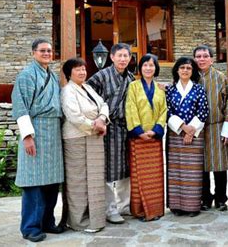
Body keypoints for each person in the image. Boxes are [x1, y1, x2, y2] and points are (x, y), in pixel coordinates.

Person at [11, 38, 64, 243]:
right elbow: (20, 105)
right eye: (42, 50)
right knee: (33, 182)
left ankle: (47, 222)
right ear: (33, 52)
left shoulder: (52, 76)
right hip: (35, 130)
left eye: (49, 51)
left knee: (51, 181)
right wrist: (27, 136)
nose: (46, 54)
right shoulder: (26, 75)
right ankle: (30, 227)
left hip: (53, 131)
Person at [86, 43, 135, 224]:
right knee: (107, 169)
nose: (123, 59)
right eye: (119, 55)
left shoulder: (131, 78)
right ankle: (110, 209)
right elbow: (88, 98)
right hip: (106, 128)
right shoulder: (101, 76)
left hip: (125, 128)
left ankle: (124, 205)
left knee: (125, 168)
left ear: (130, 59)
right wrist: (98, 119)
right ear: (112, 57)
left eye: (126, 56)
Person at [61, 58, 109, 232]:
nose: (82, 72)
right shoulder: (67, 91)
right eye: (77, 69)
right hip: (76, 138)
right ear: (69, 73)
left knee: (95, 179)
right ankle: (78, 221)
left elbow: (103, 104)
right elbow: (73, 116)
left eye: (83, 69)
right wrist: (94, 125)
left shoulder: (87, 88)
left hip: (95, 137)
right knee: (78, 180)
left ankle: (95, 219)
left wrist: (102, 119)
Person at [125, 54, 167, 222]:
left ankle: (155, 209)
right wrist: (138, 131)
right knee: (139, 176)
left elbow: (164, 111)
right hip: (139, 138)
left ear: (156, 68)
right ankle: (141, 210)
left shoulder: (160, 88)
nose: (148, 68)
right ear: (140, 68)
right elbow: (130, 108)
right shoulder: (133, 86)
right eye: (145, 65)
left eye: (151, 65)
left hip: (154, 139)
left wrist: (156, 130)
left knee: (154, 176)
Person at [166, 57, 209, 217]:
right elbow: (168, 111)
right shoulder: (170, 90)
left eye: (188, 68)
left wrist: (191, 130)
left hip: (195, 135)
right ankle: (177, 206)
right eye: (182, 67)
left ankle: (192, 206)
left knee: (193, 172)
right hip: (176, 134)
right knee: (176, 171)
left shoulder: (198, 89)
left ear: (193, 72)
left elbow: (203, 111)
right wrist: (182, 128)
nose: (185, 70)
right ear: (177, 70)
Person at [193, 45, 228, 212]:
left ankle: (221, 198)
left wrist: (227, 129)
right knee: (201, 165)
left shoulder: (220, 77)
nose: (201, 59)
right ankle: (205, 198)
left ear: (212, 59)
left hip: (217, 125)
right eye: (198, 56)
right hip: (196, 128)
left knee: (219, 164)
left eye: (205, 56)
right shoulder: (191, 77)